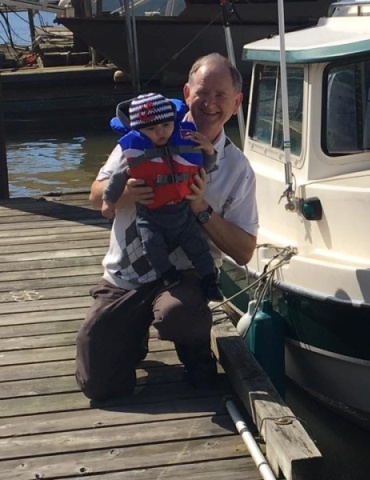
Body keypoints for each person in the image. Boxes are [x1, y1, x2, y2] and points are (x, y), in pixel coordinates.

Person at [76, 53, 259, 402]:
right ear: (186, 92)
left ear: (237, 103)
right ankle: (131, 333)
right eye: (202, 93)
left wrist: (200, 207)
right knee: (97, 385)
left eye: (222, 96)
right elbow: (95, 195)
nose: (210, 104)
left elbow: (245, 250)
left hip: (185, 275)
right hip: (126, 275)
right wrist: (126, 193)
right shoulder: (140, 136)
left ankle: (195, 355)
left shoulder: (237, 169)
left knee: (180, 316)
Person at [101, 91, 222, 301]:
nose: (161, 132)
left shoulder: (186, 143)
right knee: (151, 247)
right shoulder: (134, 153)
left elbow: (207, 166)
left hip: (182, 213)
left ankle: (210, 281)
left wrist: (210, 151)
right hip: (150, 217)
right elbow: (117, 179)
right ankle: (169, 276)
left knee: (199, 248)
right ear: (139, 130)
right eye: (151, 129)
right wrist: (108, 201)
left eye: (166, 125)